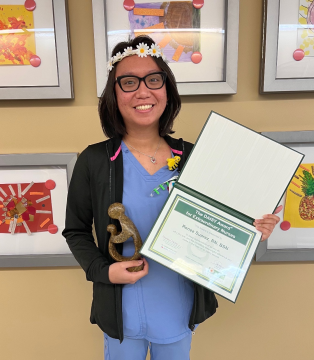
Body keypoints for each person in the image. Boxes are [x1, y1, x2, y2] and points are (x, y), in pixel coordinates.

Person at [62, 36, 281, 360]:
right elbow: (75, 231)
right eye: (128, 82)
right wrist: (103, 271)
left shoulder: (194, 157)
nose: (143, 90)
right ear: (114, 93)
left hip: (178, 307)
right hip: (122, 312)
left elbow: (221, 223)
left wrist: (254, 228)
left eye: (153, 79)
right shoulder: (95, 161)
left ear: (166, 89)